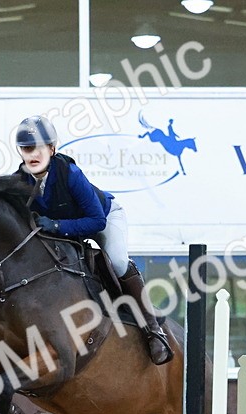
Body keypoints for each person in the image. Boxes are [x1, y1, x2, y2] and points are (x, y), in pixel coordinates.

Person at [12, 115, 174, 366]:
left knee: (118, 262)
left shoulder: (70, 174)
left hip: (105, 218)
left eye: (39, 148)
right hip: (68, 230)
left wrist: (56, 225)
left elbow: (96, 221)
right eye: (26, 148)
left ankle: (153, 330)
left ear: (52, 149)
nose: (33, 154)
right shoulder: (20, 181)